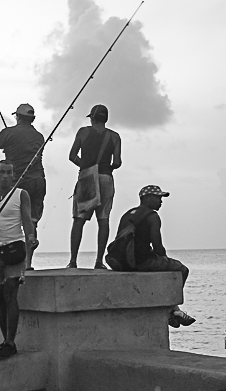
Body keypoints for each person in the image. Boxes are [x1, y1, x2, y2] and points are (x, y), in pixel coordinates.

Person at [0, 160, 36, 359]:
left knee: (11, 293)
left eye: (9, 172)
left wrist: (31, 238)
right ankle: (5, 341)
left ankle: (11, 342)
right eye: (2, 172)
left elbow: (27, 221)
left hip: (15, 249)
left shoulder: (21, 194)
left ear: (14, 175)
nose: (5, 176)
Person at [115, 185, 195, 327]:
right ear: (146, 198)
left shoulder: (127, 215)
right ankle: (172, 308)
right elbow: (157, 246)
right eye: (158, 197)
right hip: (142, 261)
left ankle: (174, 311)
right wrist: (163, 259)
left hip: (122, 262)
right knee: (182, 269)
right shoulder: (152, 216)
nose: (161, 201)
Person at [0, 104, 42, 269]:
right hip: (38, 181)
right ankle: (28, 263)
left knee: (9, 221)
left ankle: (6, 259)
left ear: (17, 116)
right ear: (32, 119)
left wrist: (1, 143)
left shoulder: (8, 133)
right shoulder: (39, 136)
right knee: (31, 222)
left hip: (17, 182)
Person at [67, 104, 122, 269]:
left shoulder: (83, 132)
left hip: (86, 178)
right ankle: (99, 261)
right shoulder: (114, 137)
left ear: (91, 117)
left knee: (79, 220)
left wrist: (84, 166)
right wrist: (108, 168)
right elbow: (117, 162)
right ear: (106, 119)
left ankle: (73, 261)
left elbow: (71, 156)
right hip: (106, 178)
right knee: (103, 219)